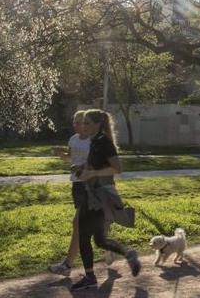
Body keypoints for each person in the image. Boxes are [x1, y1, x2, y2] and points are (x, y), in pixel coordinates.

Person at [70, 109, 141, 291]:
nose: (83, 126)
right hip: (93, 192)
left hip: (99, 195)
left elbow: (117, 168)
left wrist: (92, 173)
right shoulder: (95, 141)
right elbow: (95, 163)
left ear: (97, 124)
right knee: (99, 240)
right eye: (82, 123)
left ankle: (90, 276)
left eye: (87, 123)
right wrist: (81, 167)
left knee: (84, 234)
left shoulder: (104, 142)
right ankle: (128, 254)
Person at [48, 111, 91, 276]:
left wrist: (82, 168)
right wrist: (62, 155)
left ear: (86, 123)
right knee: (88, 223)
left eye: (78, 122)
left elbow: (95, 162)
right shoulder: (73, 139)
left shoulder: (93, 140)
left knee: (78, 223)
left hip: (89, 184)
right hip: (77, 185)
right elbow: (71, 159)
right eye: (74, 122)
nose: (75, 125)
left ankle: (67, 265)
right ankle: (110, 248)